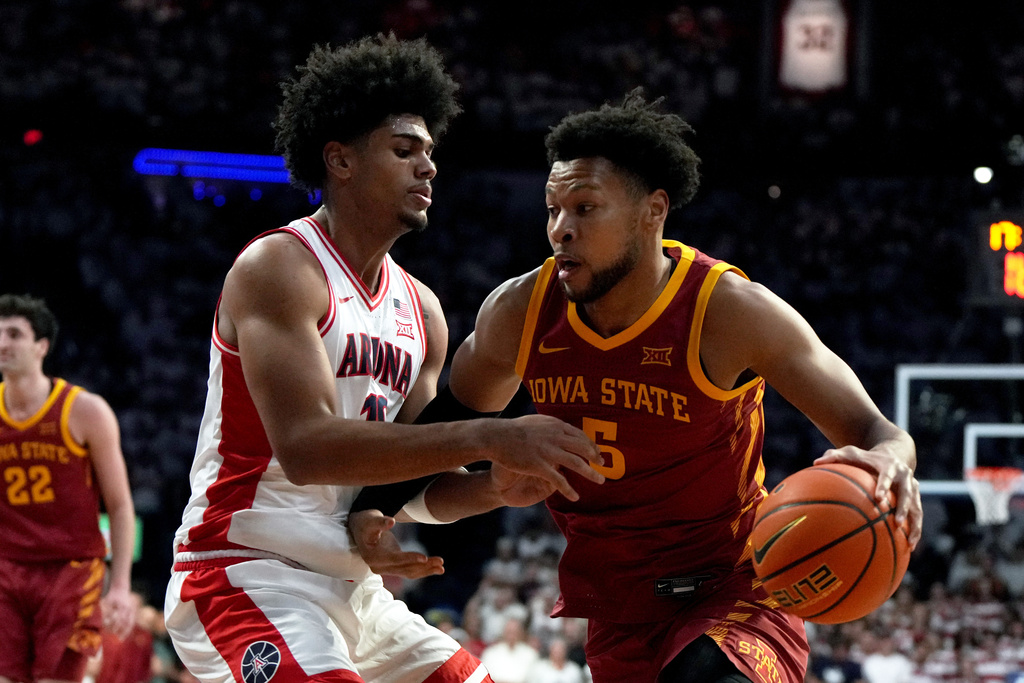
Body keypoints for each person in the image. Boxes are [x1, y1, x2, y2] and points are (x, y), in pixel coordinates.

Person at [351, 90, 923, 683]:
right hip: (617, 611)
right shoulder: (522, 310)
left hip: (734, 595)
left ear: (654, 210)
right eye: (552, 210)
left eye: (585, 208)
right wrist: (372, 510)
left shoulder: (727, 312)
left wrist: (893, 462)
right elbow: (445, 424)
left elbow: (877, 431)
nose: (561, 230)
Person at [162, 34, 603, 683]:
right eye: (404, 151)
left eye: (430, 153)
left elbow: (409, 489)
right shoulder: (280, 267)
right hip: (244, 573)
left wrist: (490, 485)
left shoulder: (421, 311)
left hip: (357, 592)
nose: (427, 167)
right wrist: (489, 431)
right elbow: (307, 449)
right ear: (339, 160)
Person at [0, 293, 136, 683]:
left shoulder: (84, 410)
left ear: (41, 346)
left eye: (14, 334)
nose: (2, 343)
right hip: (7, 567)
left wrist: (121, 588)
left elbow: (121, 505)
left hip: (70, 570)